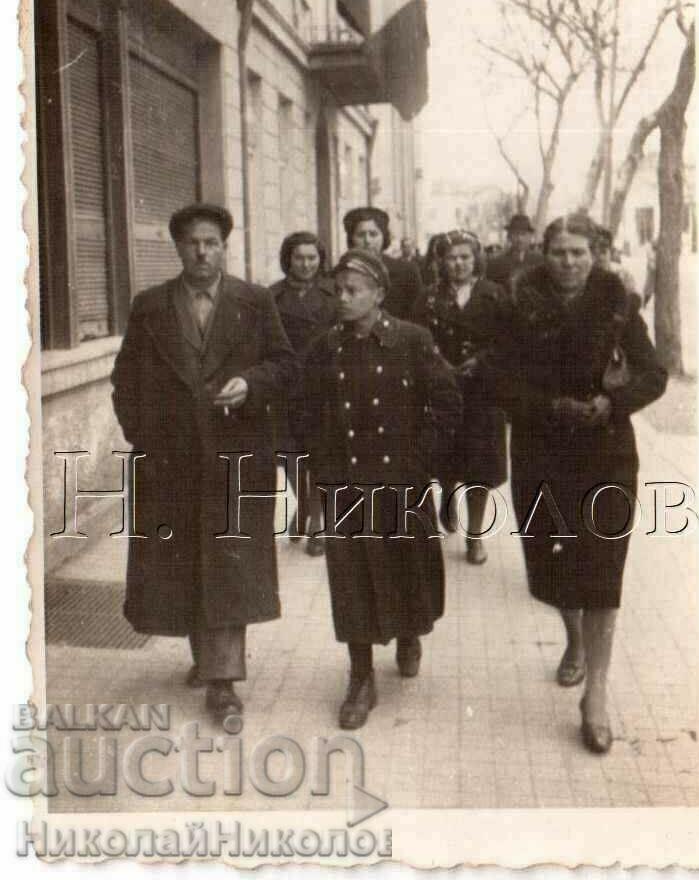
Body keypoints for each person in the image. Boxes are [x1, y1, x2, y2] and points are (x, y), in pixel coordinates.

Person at [111, 203, 297, 723]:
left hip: (235, 459)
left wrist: (251, 385)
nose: (202, 251)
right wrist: (144, 437)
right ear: (178, 248)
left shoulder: (254, 303)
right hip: (170, 462)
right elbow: (125, 381)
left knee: (229, 566)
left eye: (212, 242)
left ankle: (223, 682)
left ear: (224, 247)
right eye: (193, 242)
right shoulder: (150, 307)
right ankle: (207, 657)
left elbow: (285, 364)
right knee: (187, 561)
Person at [492, 212, 667, 754]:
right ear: (544, 253)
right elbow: (500, 381)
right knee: (555, 566)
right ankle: (574, 643)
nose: (569, 261)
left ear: (595, 254)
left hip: (605, 455)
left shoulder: (619, 306)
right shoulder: (518, 306)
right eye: (560, 251)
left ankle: (597, 694)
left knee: (602, 570)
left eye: (579, 252)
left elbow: (654, 374)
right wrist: (549, 406)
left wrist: (611, 402)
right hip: (542, 454)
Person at [295, 249, 462, 730]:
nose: (343, 299)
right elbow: (305, 411)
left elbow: (447, 401)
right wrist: (323, 467)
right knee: (351, 579)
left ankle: (409, 632)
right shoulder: (325, 348)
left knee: (408, 567)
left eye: (354, 291)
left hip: (401, 483)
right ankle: (361, 676)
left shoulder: (412, 340)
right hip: (346, 485)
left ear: (380, 295)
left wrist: (420, 463)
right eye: (339, 291)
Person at [412, 229, 508, 565]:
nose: (459, 264)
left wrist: (481, 361)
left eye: (465, 257)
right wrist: (439, 365)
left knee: (480, 465)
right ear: (440, 262)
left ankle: (475, 535)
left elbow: (509, 341)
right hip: (440, 392)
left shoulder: (495, 295)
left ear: (476, 259)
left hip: (483, 393)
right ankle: (448, 497)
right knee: (443, 456)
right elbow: (418, 340)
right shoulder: (426, 298)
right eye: (452, 258)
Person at [270, 231, 337, 556]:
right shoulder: (271, 296)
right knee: (290, 456)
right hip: (285, 388)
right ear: (288, 259)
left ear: (320, 259)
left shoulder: (334, 294)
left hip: (324, 387)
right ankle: (307, 509)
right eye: (300, 258)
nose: (306, 264)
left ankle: (317, 525)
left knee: (320, 454)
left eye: (312, 257)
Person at [342, 206, 422, 320]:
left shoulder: (407, 272)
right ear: (351, 239)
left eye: (373, 234)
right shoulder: (342, 273)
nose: (367, 241)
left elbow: (417, 317)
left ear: (384, 237)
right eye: (360, 235)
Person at [486, 212, 543, 291]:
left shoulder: (540, 261)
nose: (520, 239)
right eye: (516, 234)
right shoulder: (495, 263)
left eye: (523, 234)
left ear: (530, 236)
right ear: (509, 236)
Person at [594, 226, 641, 309]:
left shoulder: (621, 274)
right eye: (594, 253)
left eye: (603, 252)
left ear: (610, 252)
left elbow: (634, 301)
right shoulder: (581, 276)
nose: (599, 257)